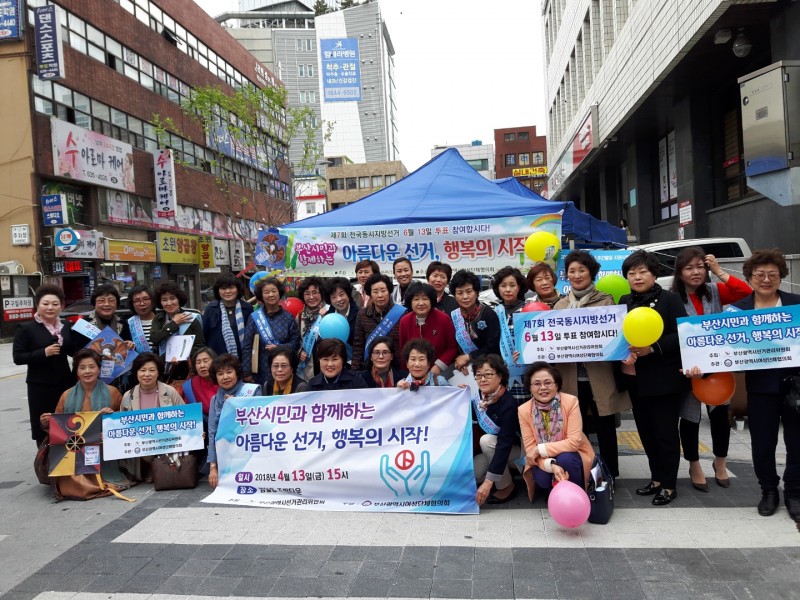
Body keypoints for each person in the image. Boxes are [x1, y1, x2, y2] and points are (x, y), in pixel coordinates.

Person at [671, 247, 751, 491]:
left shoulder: (714, 291)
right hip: (688, 368)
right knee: (690, 418)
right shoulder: (672, 298)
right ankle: (694, 465)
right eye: (689, 268)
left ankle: (720, 462)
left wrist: (718, 271)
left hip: (717, 367)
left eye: (700, 267)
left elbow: (746, 293)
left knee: (719, 417)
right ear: (679, 272)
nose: (696, 272)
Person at [731, 249, 800, 520]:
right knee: (762, 443)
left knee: (797, 443)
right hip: (760, 387)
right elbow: (722, 350)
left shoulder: (796, 305)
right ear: (749, 278)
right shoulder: (737, 311)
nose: (766, 279)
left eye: (773, 274)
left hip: (796, 387)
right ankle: (768, 490)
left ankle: (794, 492)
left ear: (781, 277)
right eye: (760, 274)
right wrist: (701, 365)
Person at [620, 250, 689, 506]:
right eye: (631, 273)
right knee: (646, 433)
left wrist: (653, 348)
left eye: (642, 272)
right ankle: (656, 479)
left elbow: (682, 334)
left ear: (654, 274)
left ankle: (669, 485)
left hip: (663, 380)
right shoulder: (624, 301)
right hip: (635, 379)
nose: (637, 277)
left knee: (665, 434)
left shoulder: (670, 299)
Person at [553, 251, 631, 478]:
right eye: (572, 271)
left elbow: (617, 338)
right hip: (570, 378)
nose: (577, 275)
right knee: (577, 430)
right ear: (566, 275)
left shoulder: (606, 302)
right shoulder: (560, 306)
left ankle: (610, 474)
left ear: (591, 273)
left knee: (605, 427)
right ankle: (581, 474)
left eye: (582, 270)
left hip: (599, 376)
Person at [40, 349, 132, 500]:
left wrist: (112, 415)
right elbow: (58, 430)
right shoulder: (67, 395)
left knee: (88, 482)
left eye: (92, 366)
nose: (87, 371)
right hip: (74, 453)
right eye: (82, 367)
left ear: (99, 369)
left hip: (104, 451)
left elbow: (124, 424)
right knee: (71, 482)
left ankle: (95, 482)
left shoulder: (112, 392)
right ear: (76, 371)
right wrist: (46, 423)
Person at [13, 284, 80, 445]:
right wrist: (43, 353)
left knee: (68, 424)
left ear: (61, 306)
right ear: (38, 304)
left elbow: (74, 351)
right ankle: (45, 458)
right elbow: (18, 357)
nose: (50, 307)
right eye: (45, 303)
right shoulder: (26, 328)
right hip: (40, 386)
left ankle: (69, 457)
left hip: (65, 383)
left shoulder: (67, 326)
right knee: (44, 426)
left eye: (55, 304)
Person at [518, 362, 595, 501]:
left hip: (572, 454)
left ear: (557, 385)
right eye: (536, 383)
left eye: (548, 383)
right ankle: (555, 493)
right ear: (530, 387)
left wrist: (539, 449)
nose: (543, 387)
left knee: (566, 459)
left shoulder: (570, 402)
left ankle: (577, 495)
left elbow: (573, 443)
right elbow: (530, 450)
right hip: (544, 459)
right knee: (542, 478)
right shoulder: (523, 410)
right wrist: (552, 466)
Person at [119, 352, 185, 482]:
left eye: (152, 370)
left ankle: (160, 469)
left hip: (167, 441)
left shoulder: (170, 391)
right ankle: (146, 469)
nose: (147, 374)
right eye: (143, 370)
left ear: (158, 372)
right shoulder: (128, 396)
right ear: (136, 372)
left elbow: (184, 417)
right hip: (140, 444)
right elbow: (123, 426)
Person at [472, 354, 520, 505]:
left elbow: (504, 443)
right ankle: (497, 477)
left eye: (488, 374)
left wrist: (489, 482)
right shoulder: (480, 397)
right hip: (492, 450)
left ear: (499, 377)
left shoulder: (508, 403)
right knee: (475, 474)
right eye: (478, 375)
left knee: (486, 441)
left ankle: (506, 486)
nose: (483, 379)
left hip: (515, 451)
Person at [241, 277, 300, 386]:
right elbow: (247, 346)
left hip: (284, 370)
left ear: (279, 293)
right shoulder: (254, 317)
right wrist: (246, 372)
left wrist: (279, 348)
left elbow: (295, 343)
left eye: (274, 291)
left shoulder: (288, 318)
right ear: (261, 295)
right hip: (261, 371)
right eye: (266, 292)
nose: (271, 295)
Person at [207, 354, 250, 489]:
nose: (225, 377)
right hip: (225, 458)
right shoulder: (215, 400)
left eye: (229, 372)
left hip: (249, 455)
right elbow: (212, 433)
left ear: (237, 373)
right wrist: (213, 467)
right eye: (220, 374)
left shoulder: (251, 391)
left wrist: (237, 405)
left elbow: (258, 424)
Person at [398, 282, 458, 376]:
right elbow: (403, 351)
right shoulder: (405, 321)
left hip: (439, 372)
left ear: (431, 300)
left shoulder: (443, 319)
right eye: (416, 299)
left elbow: (452, 347)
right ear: (410, 302)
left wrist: (439, 366)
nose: (421, 303)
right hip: (413, 372)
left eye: (425, 299)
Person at [150, 281, 205, 381]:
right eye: (164, 300)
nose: (169, 303)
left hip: (187, 369)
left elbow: (199, 345)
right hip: (163, 370)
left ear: (179, 299)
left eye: (172, 298)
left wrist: (182, 356)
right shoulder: (159, 318)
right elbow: (154, 338)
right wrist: (173, 324)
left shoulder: (191, 318)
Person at [491, 266, 530, 404]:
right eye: (503, 285)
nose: (508, 289)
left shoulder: (528, 311)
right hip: (501, 373)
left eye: (512, 285)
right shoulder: (494, 313)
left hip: (526, 372)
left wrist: (525, 353)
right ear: (497, 288)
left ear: (519, 287)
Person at [449, 269, 501, 374]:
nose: (465, 297)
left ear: (477, 292)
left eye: (469, 291)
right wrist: (460, 360)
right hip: (463, 366)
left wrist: (468, 357)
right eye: (460, 293)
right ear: (454, 295)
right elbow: (453, 345)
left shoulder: (488, 314)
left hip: (488, 364)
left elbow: (493, 346)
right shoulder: (454, 316)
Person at [351, 273, 405, 370]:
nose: (380, 295)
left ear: (389, 291)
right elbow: (358, 346)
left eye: (383, 290)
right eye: (375, 292)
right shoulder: (363, 315)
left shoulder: (402, 313)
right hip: (369, 368)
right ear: (370, 294)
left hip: (396, 369)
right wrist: (355, 372)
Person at [202, 274, 253, 360]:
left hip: (243, 359)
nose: (227, 291)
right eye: (223, 288)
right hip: (217, 360)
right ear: (218, 291)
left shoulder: (247, 308)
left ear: (238, 290)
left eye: (231, 287)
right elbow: (204, 336)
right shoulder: (211, 309)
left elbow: (251, 336)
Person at [296, 277, 329, 381]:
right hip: (308, 366)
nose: (311, 297)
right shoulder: (300, 316)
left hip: (327, 362)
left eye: (315, 293)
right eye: (307, 294)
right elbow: (296, 339)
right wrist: (299, 352)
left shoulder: (329, 312)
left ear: (321, 294)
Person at [179, 348, 219, 422]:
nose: (202, 365)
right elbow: (188, 413)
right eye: (198, 362)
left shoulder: (224, 379)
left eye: (206, 361)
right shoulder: (190, 386)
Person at [120, 285, 157, 353]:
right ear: (132, 304)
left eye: (145, 299)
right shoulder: (127, 325)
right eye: (137, 301)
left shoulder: (163, 320)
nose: (142, 304)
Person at [324, 277, 359, 346]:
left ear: (348, 294)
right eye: (334, 297)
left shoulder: (360, 314)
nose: (339, 299)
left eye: (341, 294)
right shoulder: (327, 317)